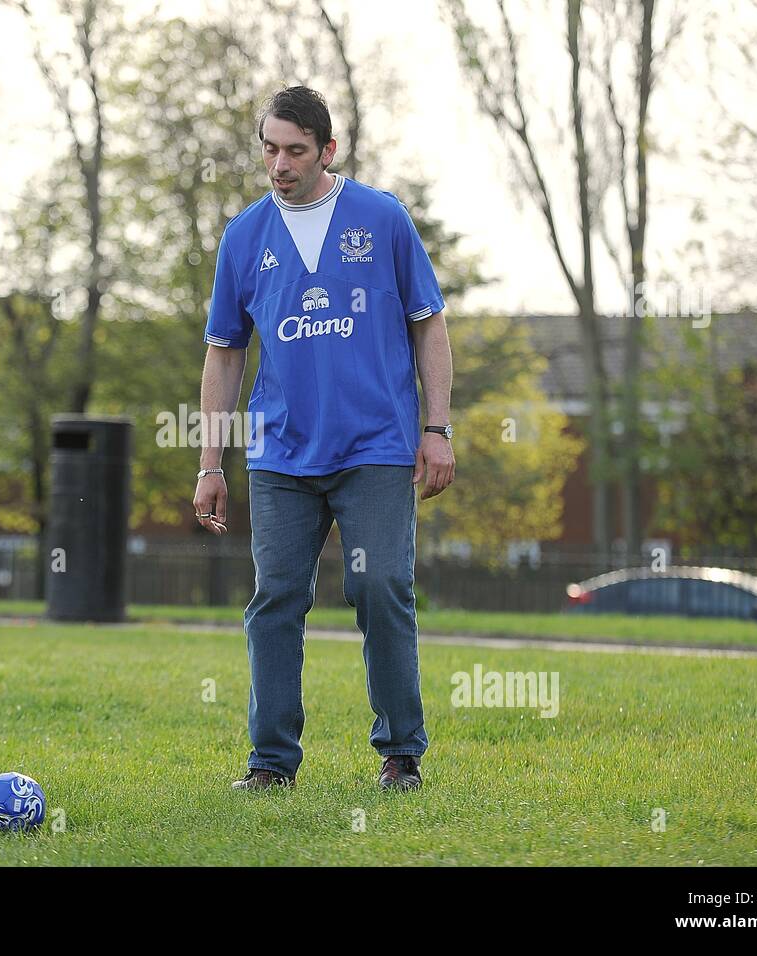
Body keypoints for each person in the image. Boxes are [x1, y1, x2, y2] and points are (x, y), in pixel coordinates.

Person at [195, 87, 456, 792]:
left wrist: (437, 428)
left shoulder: (381, 217)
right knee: (276, 597)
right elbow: (224, 353)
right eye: (269, 148)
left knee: (379, 586)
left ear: (327, 150)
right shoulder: (245, 237)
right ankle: (271, 763)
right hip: (281, 455)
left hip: (376, 446)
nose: (279, 164)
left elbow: (428, 323)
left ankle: (401, 752)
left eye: (295, 150)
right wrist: (210, 463)